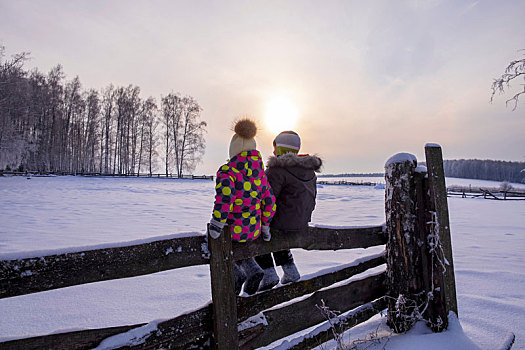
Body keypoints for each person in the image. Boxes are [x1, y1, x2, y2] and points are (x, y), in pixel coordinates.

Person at [208, 118, 276, 295]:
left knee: (223, 250)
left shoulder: (228, 172)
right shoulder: (260, 174)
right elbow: (269, 201)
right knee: (243, 249)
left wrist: (216, 224)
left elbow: (225, 199)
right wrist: (265, 225)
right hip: (252, 231)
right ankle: (253, 272)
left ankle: (236, 277)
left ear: (233, 151)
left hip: (232, 231)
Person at [255, 130, 322, 291]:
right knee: (279, 229)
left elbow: (267, 200)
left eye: (275, 148)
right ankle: (289, 269)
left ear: (281, 149)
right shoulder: (309, 170)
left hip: (282, 223)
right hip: (301, 221)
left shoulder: (276, 170)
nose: (273, 152)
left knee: (256, 229)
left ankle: (268, 272)